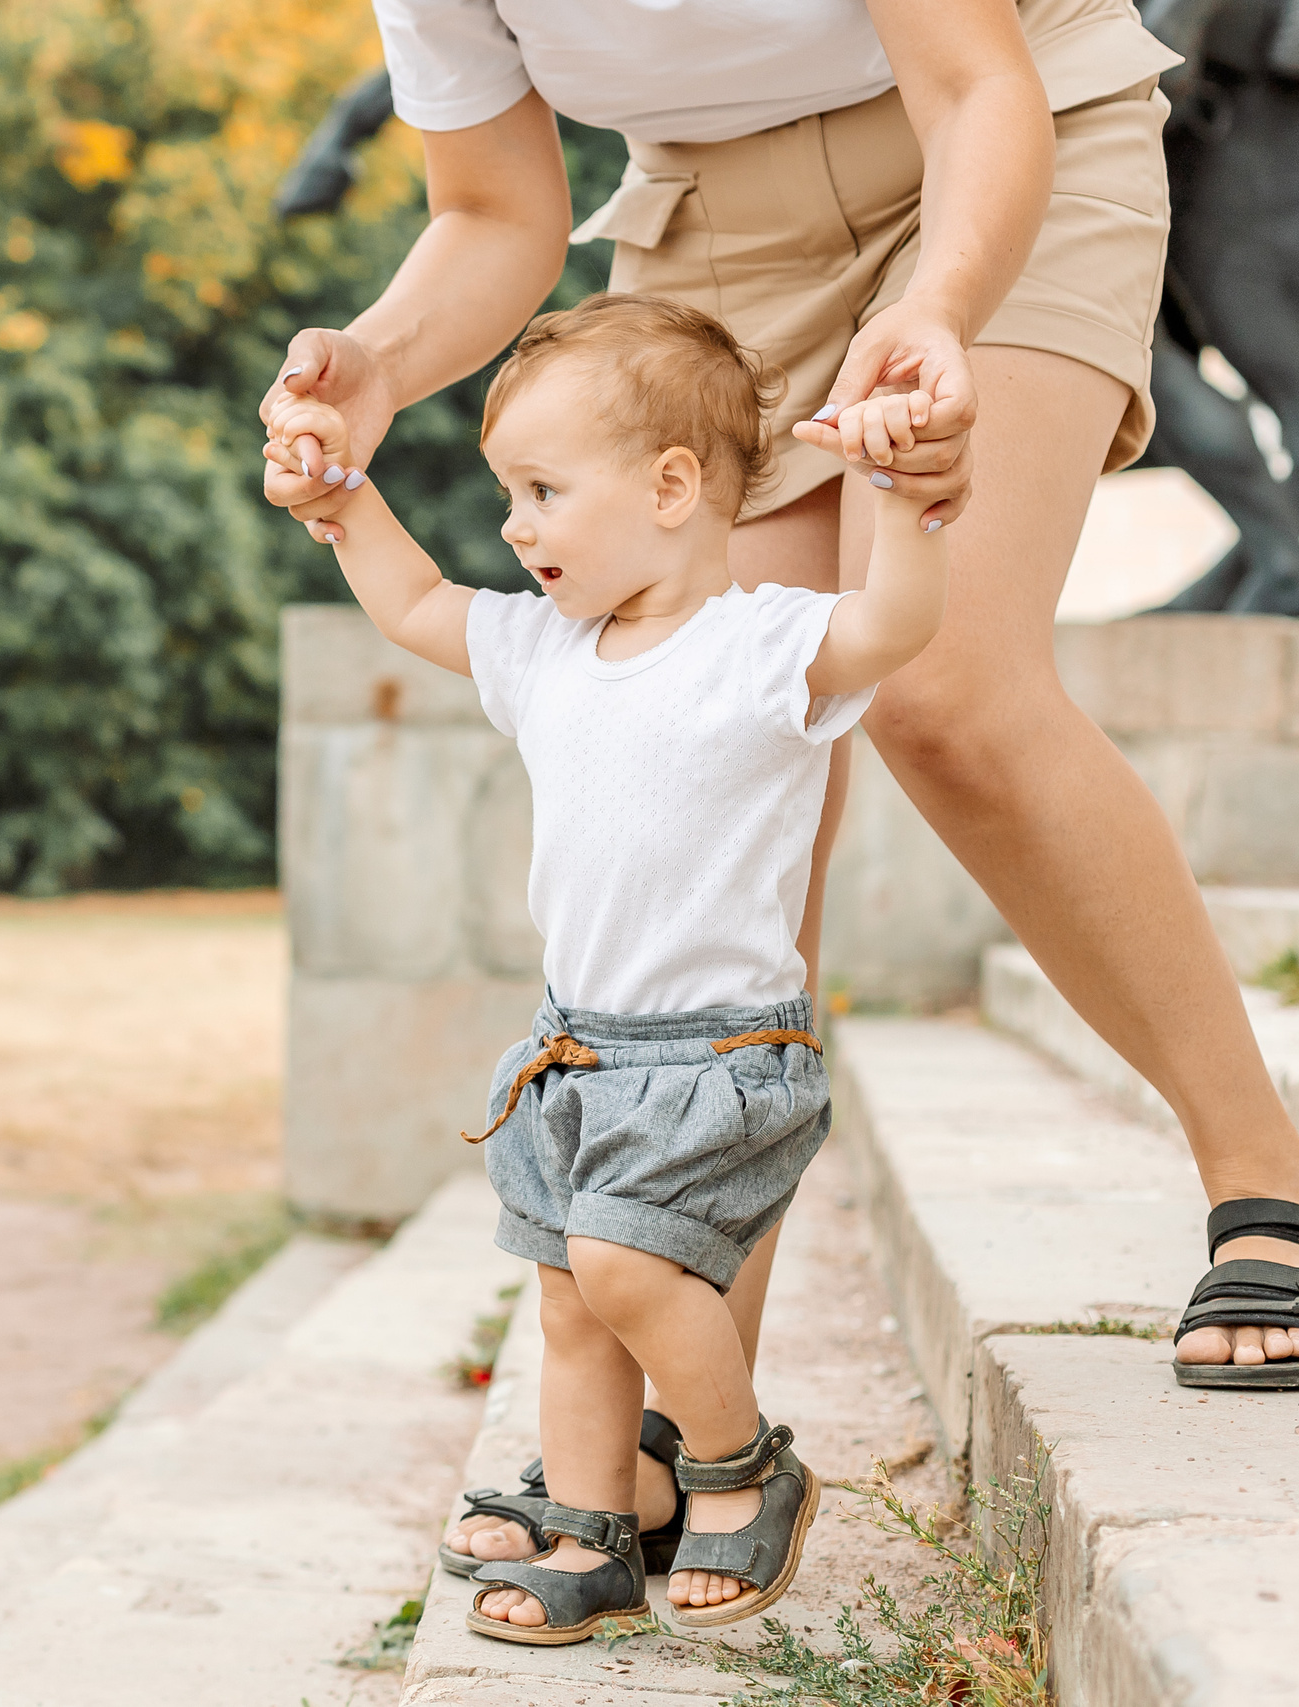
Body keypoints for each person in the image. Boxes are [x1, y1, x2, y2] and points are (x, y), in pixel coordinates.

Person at [259, 0, 1299, 1611]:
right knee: (716, 763)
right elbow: (493, 214)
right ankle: (670, 1422)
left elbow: (975, 80)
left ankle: (1269, 1181)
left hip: (998, 159)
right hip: (709, 242)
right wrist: (373, 360)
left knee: (943, 692)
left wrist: (936, 307)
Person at [276, 292, 948, 1637]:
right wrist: (341, 502)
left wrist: (910, 507)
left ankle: (739, 1466)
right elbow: (412, 598)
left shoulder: (763, 645)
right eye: (506, 492)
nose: (516, 526)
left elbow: (891, 629)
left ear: (672, 486)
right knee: (576, 1305)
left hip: (719, 1061)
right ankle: (589, 1537)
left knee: (628, 1268)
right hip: (574, 1051)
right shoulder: (544, 651)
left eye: (540, 490)